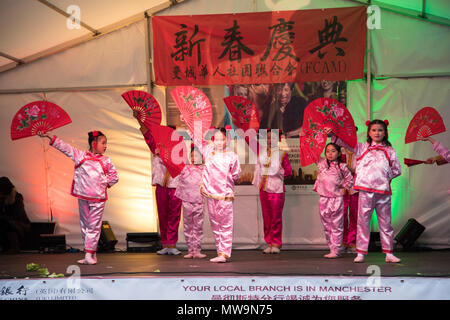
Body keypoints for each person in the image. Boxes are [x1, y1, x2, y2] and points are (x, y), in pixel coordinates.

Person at [328, 119, 402, 263]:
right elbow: (343, 143)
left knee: (386, 223)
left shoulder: (390, 150)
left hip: (383, 191)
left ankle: (389, 253)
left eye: (380, 130)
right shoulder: (362, 147)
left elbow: (397, 169)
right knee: (363, 222)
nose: (377, 133)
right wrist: (333, 134)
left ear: (385, 132)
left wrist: (384, 177)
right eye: (374, 130)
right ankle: (361, 252)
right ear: (369, 132)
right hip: (365, 190)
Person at [39, 131, 118, 264]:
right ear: (94, 143)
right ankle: (90, 253)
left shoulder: (106, 160)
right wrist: (49, 136)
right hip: (82, 196)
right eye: (103, 143)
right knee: (85, 225)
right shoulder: (80, 155)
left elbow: (114, 177)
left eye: (106, 143)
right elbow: (65, 147)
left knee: (93, 226)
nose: (105, 146)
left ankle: (88, 253)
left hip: (98, 198)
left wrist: (102, 183)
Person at [133, 112, 182, 255]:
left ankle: (172, 245)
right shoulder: (157, 146)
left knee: (174, 215)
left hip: (174, 186)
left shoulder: (179, 149)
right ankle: (165, 244)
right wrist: (139, 120)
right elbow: (147, 135)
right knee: (162, 214)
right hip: (161, 186)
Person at [200, 127, 241, 263]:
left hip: (225, 194)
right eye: (216, 139)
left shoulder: (232, 156)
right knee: (215, 225)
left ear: (226, 140)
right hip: (211, 194)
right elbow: (197, 138)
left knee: (226, 225)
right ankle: (220, 252)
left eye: (221, 139)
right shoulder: (208, 152)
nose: (218, 142)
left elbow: (236, 174)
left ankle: (224, 253)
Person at [252, 129, 292, 254]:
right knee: (266, 217)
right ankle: (269, 242)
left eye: (273, 138)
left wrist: (279, 171)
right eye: (268, 138)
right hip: (264, 188)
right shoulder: (262, 152)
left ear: (278, 139)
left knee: (276, 217)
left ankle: (276, 243)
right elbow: (257, 167)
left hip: (277, 189)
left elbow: (289, 172)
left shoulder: (282, 154)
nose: (270, 140)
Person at [312, 143, 353, 258]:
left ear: (339, 153)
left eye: (333, 151)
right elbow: (313, 152)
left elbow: (350, 180)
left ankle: (336, 249)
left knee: (337, 225)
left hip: (336, 199)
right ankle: (331, 248)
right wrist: (306, 137)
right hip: (323, 199)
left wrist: (343, 189)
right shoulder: (322, 164)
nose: (330, 153)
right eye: (328, 151)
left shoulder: (342, 167)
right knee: (326, 225)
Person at [175, 144, 206, 259]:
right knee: (188, 226)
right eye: (192, 156)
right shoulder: (185, 168)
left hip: (199, 200)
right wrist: (181, 195)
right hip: (187, 201)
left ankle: (197, 250)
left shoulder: (204, 169)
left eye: (196, 156)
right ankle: (190, 250)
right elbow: (179, 182)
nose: (194, 158)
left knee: (198, 226)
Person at [0, 177, 31, 254]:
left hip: (20, 225)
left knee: (7, 224)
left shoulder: (17, 198)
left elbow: (16, 216)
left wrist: (3, 217)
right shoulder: (2, 199)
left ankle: (14, 247)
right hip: (8, 222)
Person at [341, 145, 359, 252]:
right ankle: (342, 241)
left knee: (354, 215)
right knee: (341, 216)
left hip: (355, 188)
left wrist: (353, 170)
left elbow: (365, 169)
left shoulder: (360, 151)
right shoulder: (339, 151)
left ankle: (353, 241)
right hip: (341, 189)